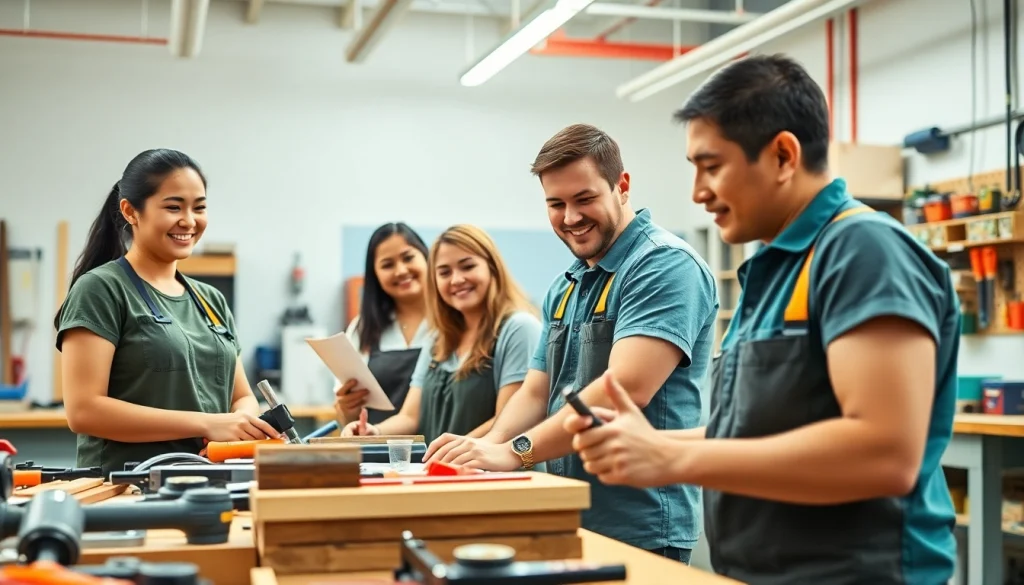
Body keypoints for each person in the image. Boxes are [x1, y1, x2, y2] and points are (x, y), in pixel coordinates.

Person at [563, 54, 960, 585]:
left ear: (782, 155)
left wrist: (672, 460)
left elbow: (883, 454)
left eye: (712, 166)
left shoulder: (862, 251)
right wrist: (651, 444)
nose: (698, 192)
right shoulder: (773, 271)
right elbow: (753, 435)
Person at [422, 124, 718, 564]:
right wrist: (484, 453)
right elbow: (536, 392)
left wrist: (514, 452)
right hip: (567, 510)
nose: (570, 217)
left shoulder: (663, 265)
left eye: (584, 199)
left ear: (622, 185)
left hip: (639, 521)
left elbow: (625, 390)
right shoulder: (567, 285)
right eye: (556, 204)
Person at [56, 149, 280, 476]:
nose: (189, 221)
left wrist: (239, 426)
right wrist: (207, 423)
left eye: (199, 207)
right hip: (124, 491)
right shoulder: (101, 289)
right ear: (131, 211)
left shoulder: (211, 300)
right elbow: (84, 411)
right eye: (173, 207)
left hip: (211, 484)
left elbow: (242, 397)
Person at [340, 224, 542, 443]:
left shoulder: (519, 329)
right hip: (447, 471)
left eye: (467, 266)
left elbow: (509, 422)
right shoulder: (438, 339)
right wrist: (373, 432)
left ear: (492, 267)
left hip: (500, 474)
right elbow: (409, 417)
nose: (456, 280)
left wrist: (446, 453)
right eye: (444, 272)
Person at [333, 222, 432, 426]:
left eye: (408, 257)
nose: (401, 270)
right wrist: (346, 410)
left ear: (426, 257)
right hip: (378, 454)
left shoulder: (453, 322)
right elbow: (348, 420)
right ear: (375, 275)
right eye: (387, 265)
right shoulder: (364, 328)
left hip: (447, 453)